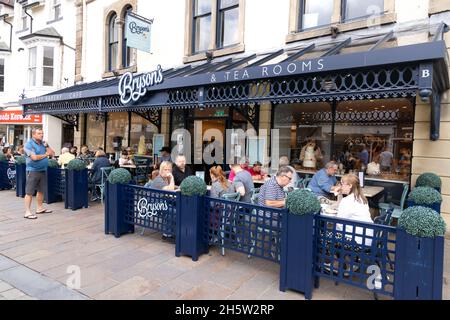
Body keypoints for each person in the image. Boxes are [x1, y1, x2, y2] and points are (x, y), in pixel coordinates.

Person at [23, 128, 55, 219]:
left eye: (42, 133)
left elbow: (52, 153)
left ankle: (39, 208)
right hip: (32, 170)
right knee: (29, 192)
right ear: (33, 135)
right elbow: (34, 157)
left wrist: (47, 146)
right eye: (39, 133)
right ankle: (27, 212)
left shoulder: (43, 144)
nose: (41, 135)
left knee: (41, 190)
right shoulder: (29, 144)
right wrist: (45, 155)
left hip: (43, 170)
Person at [336, 174, 373, 246]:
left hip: (354, 242)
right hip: (367, 240)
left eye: (342, 184)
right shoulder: (362, 198)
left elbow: (339, 223)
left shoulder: (346, 201)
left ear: (350, 185)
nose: (340, 186)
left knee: (324, 237)